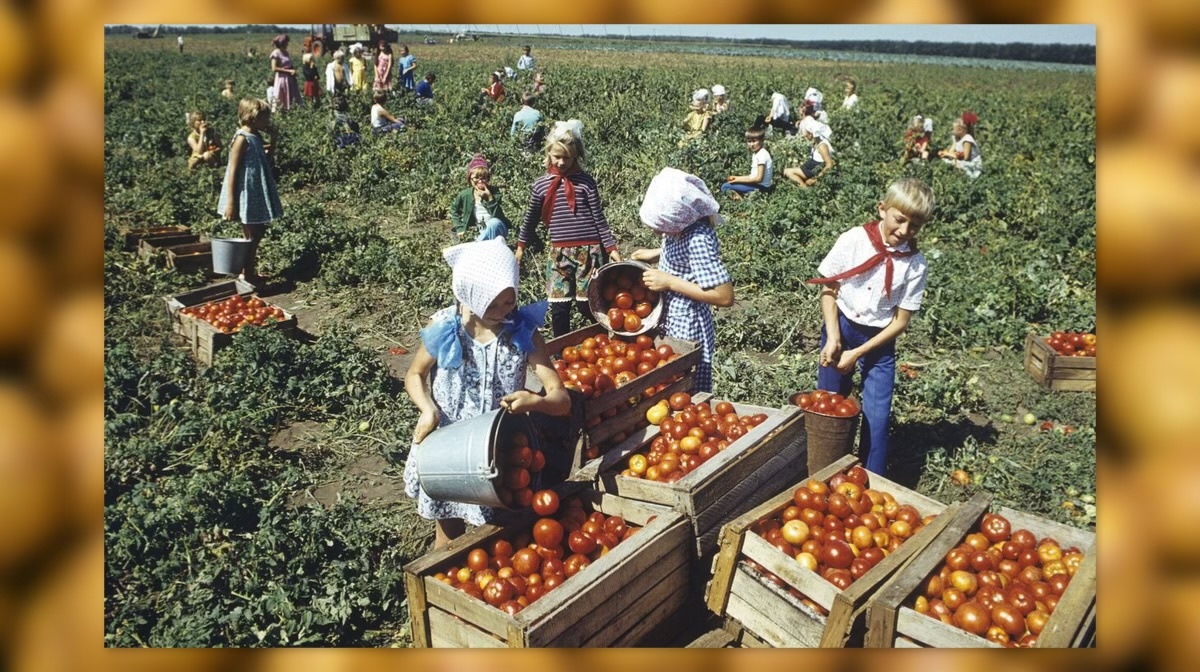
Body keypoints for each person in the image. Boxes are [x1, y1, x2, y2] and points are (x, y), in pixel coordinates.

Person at [403, 238, 571, 548]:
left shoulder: (524, 333)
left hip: (501, 451)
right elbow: (415, 374)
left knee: (498, 538)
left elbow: (561, 399)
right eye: (491, 304)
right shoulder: (445, 327)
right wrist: (427, 409)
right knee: (448, 535)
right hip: (447, 449)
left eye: (509, 302)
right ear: (469, 295)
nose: (502, 311)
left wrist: (537, 402)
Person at [805, 178, 935, 475]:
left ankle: (870, 479)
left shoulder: (915, 265)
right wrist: (833, 337)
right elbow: (829, 289)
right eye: (899, 220)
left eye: (914, 226)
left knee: (877, 416)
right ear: (882, 209)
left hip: (878, 341)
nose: (904, 231)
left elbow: (900, 322)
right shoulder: (854, 240)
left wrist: (858, 352)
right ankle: (823, 468)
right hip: (841, 326)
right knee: (828, 403)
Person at [630, 168, 734, 393]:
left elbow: (724, 296)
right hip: (671, 316)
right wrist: (656, 253)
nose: (656, 230)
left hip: (688, 324)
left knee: (686, 383)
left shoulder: (698, 240)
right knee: (670, 376)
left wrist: (669, 282)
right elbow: (683, 255)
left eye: (660, 225)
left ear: (677, 219)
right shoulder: (679, 230)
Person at [515, 120, 622, 337]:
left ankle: (606, 339)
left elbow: (599, 218)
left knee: (587, 304)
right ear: (548, 154)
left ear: (576, 155)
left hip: (588, 252)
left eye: (567, 157)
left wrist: (611, 248)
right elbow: (530, 219)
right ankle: (560, 351)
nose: (562, 162)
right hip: (559, 254)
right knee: (559, 307)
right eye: (557, 156)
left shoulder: (585, 182)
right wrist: (520, 247)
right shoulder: (541, 185)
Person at [217, 98, 283, 285]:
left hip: (256, 191)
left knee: (257, 232)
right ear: (253, 117)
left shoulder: (256, 135)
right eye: (265, 118)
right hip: (245, 193)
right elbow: (232, 171)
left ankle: (249, 271)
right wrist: (231, 202)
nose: (268, 122)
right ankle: (247, 274)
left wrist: (274, 140)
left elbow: (266, 158)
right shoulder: (242, 138)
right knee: (251, 235)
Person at [451, 155, 510, 241]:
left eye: (483, 178)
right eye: (476, 178)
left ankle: (477, 246)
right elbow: (454, 210)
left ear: (488, 178)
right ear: (470, 179)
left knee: (493, 223)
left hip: (498, 229)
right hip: (479, 230)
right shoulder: (465, 195)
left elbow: (500, 217)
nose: (480, 181)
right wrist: (460, 228)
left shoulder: (496, 192)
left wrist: (490, 198)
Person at [719, 127, 773, 200]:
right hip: (757, 185)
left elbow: (758, 178)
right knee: (730, 184)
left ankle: (741, 200)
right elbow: (752, 176)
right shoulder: (758, 153)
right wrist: (736, 178)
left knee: (725, 186)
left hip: (762, 188)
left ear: (761, 140)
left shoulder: (761, 155)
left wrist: (737, 180)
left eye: (754, 141)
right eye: (749, 141)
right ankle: (743, 195)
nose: (751, 144)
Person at [783, 117, 835, 188]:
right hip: (811, 168)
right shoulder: (817, 142)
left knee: (787, 172)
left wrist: (816, 179)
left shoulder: (822, 146)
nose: (804, 136)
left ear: (811, 134)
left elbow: (829, 164)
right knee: (792, 170)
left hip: (814, 170)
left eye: (806, 134)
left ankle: (805, 190)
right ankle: (805, 185)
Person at [938, 112, 983, 179]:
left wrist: (952, 155)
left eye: (953, 129)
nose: (952, 131)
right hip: (962, 160)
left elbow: (966, 157)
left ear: (960, 130)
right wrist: (945, 154)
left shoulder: (967, 139)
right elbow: (951, 151)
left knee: (954, 163)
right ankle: (953, 175)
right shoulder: (957, 138)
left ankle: (968, 177)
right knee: (946, 161)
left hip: (971, 163)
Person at [268, 34, 299, 113]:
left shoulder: (286, 52)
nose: (287, 44)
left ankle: (290, 112)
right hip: (282, 78)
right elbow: (274, 68)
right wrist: (288, 71)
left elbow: (289, 64)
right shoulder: (276, 53)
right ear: (282, 43)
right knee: (282, 96)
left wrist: (293, 70)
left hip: (289, 78)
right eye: (286, 42)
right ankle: (281, 113)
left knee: (291, 96)